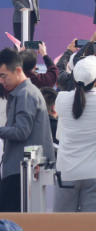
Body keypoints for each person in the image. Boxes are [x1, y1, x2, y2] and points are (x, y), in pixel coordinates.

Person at [54, 55, 96, 213]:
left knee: (62, 223)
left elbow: (64, 79)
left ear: (73, 79)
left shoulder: (61, 99)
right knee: (93, 224)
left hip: (66, 172)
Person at [0, 47, 55, 212]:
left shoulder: (25, 94)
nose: (1, 81)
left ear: (18, 70)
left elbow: (21, 131)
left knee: (10, 218)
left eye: (3, 76)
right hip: (23, 170)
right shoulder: (24, 92)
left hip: (22, 172)